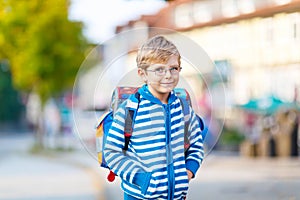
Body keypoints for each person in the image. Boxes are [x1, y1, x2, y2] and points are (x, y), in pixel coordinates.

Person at [104, 35, 204, 200]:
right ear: (143, 74)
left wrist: (187, 173)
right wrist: (141, 179)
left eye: (173, 68)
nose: (168, 75)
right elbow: (112, 152)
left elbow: (196, 146)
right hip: (138, 196)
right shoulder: (130, 110)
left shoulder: (184, 109)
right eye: (159, 69)